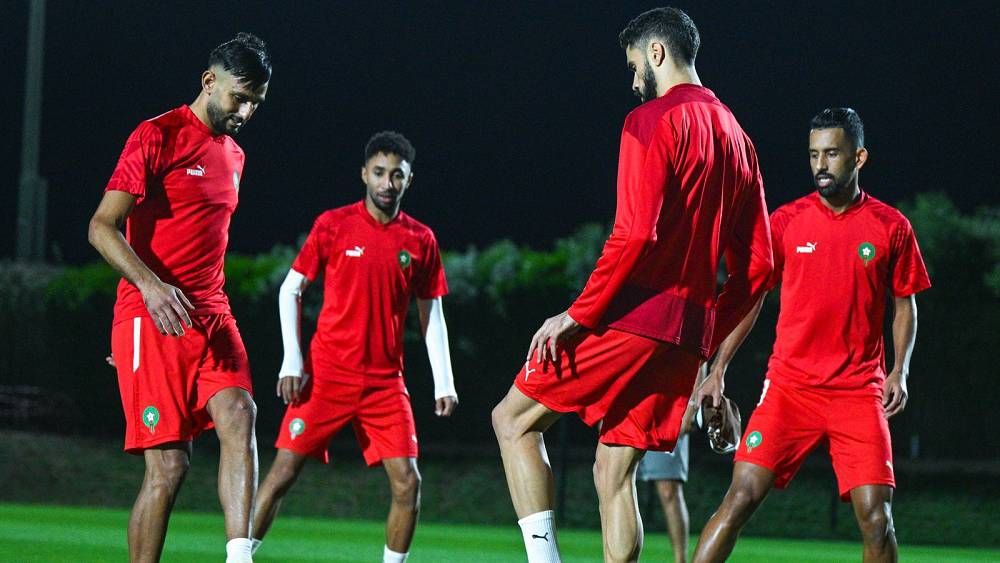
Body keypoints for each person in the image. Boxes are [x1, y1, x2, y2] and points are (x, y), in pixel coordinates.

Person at [490, 7, 773, 563]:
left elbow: (635, 233)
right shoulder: (740, 139)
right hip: (685, 339)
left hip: (634, 319)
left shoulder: (650, 120)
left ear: (656, 53)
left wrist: (577, 314)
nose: (633, 78)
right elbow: (760, 267)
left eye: (633, 64)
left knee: (512, 420)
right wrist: (707, 346)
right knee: (612, 471)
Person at [691, 108, 931, 563]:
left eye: (832, 154)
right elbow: (752, 298)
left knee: (877, 518)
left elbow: (906, 304)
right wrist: (717, 369)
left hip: (858, 392)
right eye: (814, 154)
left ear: (858, 157)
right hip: (790, 388)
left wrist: (899, 370)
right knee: (740, 495)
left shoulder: (891, 227)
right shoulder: (786, 222)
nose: (821, 164)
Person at [88, 33, 271, 563]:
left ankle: (240, 557)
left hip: (211, 312)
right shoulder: (156, 135)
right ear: (209, 81)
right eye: (239, 97)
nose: (246, 112)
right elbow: (101, 226)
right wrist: (146, 293)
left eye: (256, 103)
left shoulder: (235, 155)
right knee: (169, 467)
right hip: (152, 316)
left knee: (240, 412)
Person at [250, 132, 458, 563]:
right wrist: (292, 360)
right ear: (364, 174)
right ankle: (240, 556)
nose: (387, 183)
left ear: (408, 180)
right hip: (326, 375)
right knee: (282, 472)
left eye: (396, 175)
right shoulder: (333, 224)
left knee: (408, 482)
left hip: (385, 383)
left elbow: (432, 314)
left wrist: (444, 381)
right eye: (379, 172)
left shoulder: (421, 239)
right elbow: (290, 289)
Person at [638, 434, 691, 563]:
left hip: (663, 423)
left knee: (669, 489)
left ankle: (680, 560)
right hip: (625, 423)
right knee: (619, 483)